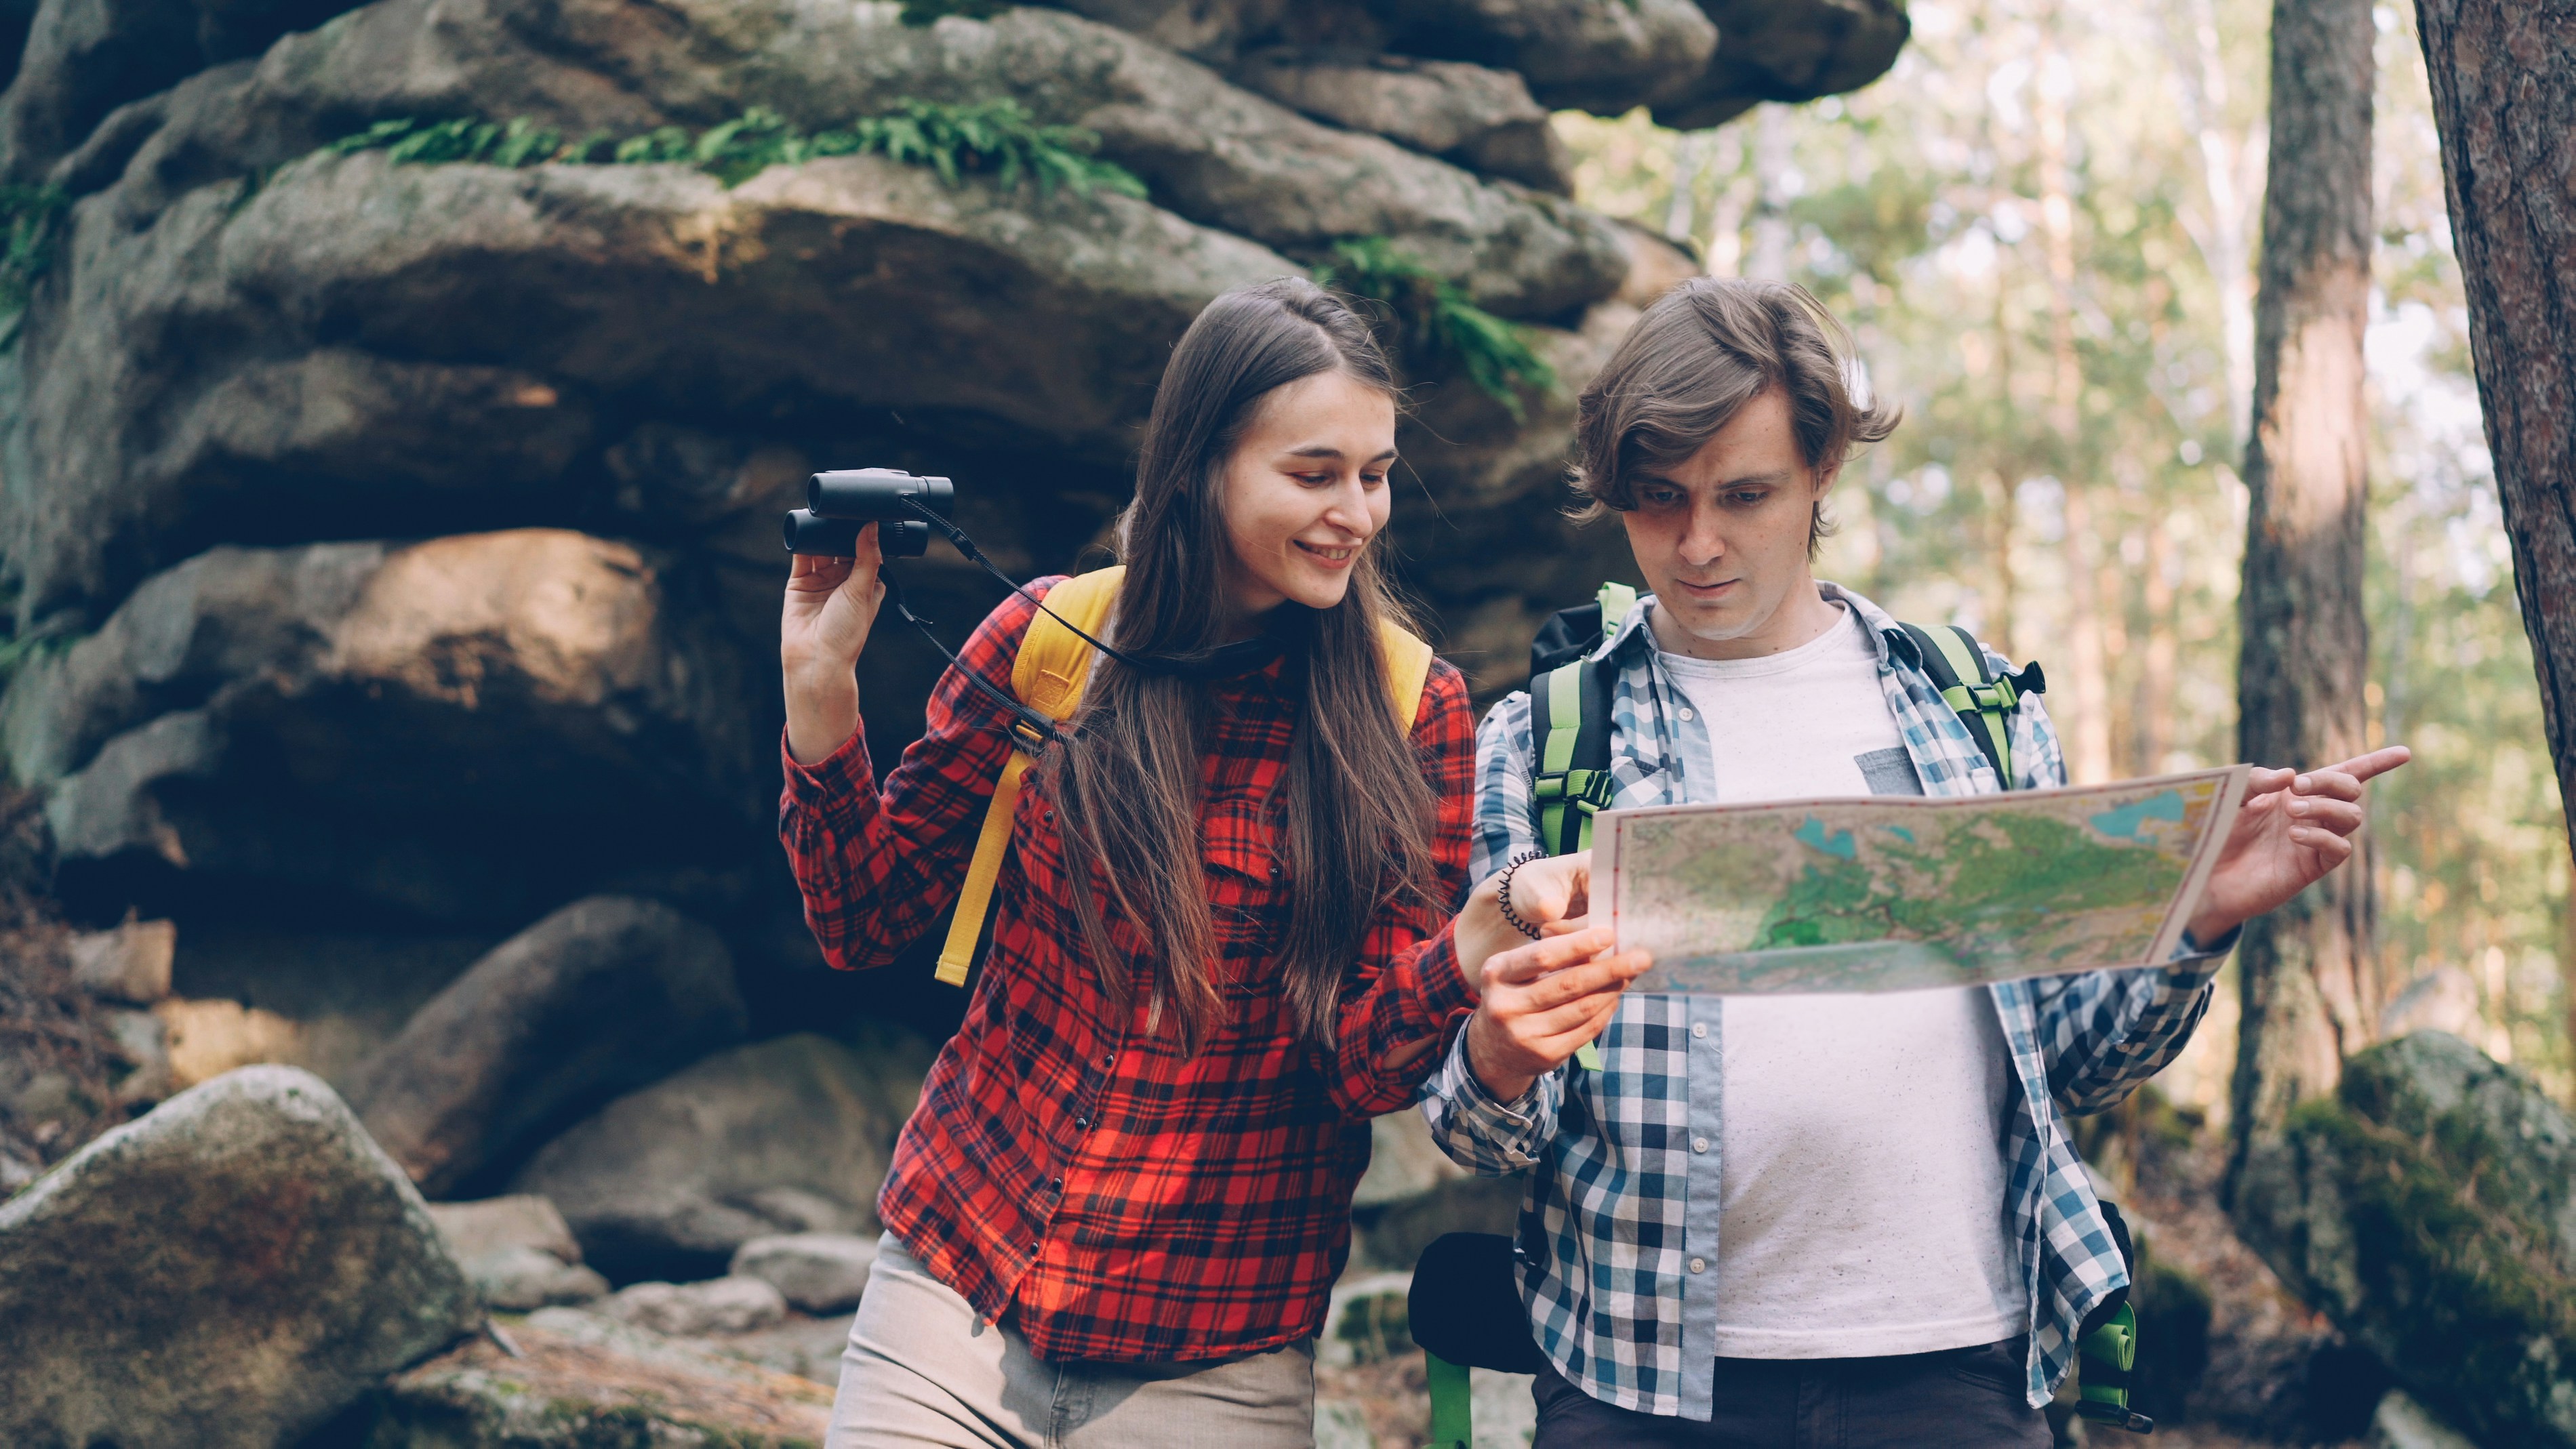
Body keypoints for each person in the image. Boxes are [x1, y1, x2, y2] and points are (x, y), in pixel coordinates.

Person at [1418, 277, 2409, 1447]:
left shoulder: (1970, 706)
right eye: (1657, 502)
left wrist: (2197, 923)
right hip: (1638, 1381)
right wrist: (1500, 1052)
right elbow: (1474, 1131)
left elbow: (2074, 1065)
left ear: (1823, 467)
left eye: (1746, 495)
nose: (1698, 543)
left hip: (1958, 1370)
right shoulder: (1545, 739)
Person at [777, 277, 1610, 1449]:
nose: (1358, 513)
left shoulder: (1413, 706)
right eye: (1314, 473)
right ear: (1199, 467)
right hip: (950, 1296)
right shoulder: (1046, 643)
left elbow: (1360, 1068)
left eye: (1373, 474)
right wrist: (821, 704)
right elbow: (861, 920)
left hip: (1217, 1362)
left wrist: (1467, 947)